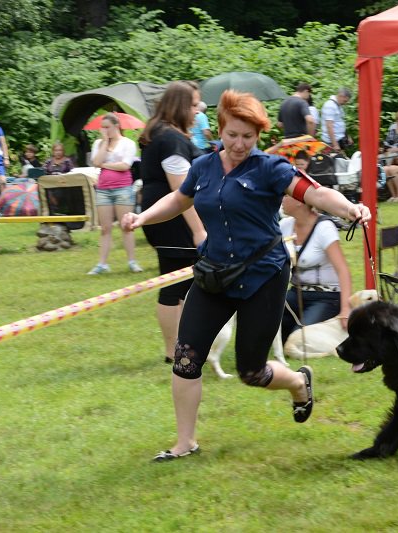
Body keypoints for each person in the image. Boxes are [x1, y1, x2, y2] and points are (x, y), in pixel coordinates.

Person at [121, 89, 371, 461]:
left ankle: (300, 383)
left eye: (248, 137)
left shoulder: (271, 169)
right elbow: (179, 200)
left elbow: (316, 195)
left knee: (251, 371)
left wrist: (351, 208)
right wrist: (142, 217)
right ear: (219, 130)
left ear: (258, 136)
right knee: (185, 357)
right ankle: (185, 442)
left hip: (262, 277)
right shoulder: (203, 166)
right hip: (214, 275)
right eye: (232, 135)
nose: (239, 144)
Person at [139, 80, 207, 364]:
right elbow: (182, 192)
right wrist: (199, 230)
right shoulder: (170, 139)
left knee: (177, 283)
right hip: (174, 221)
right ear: (180, 106)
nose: (197, 110)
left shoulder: (161, 134)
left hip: (164, 218)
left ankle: (178, 349)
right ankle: (175, 351)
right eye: (193, 105)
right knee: (177, 285)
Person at [279, 192, 353, 342]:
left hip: (326, 298)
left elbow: (343, 270)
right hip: (296, 292)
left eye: (286, 195)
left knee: (298, 340)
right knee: (267, 326)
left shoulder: (324, 228)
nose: (281, 198)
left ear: (300, 201)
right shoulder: (284, 226)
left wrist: (346, 310)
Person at [88, 112, 143, 275]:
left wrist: (104, 165)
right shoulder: (99, 143)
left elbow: (125, 165)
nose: (104, 130)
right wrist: (105, 142)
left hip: (123, 188)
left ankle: (132, 261)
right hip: (103, 189)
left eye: (107, 127)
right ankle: (102, 264)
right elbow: (96, 162)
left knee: (126, 226)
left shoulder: (128, 143)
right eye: (102, 128)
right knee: (105, 228)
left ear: (116, 126)